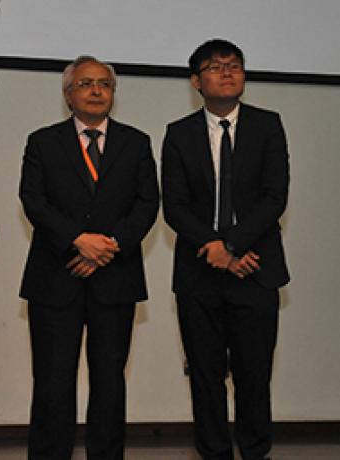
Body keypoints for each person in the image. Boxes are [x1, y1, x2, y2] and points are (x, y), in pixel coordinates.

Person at [19, 55, 159, 459]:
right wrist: (78, 240)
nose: (96, 90)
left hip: (115, 281)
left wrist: (107, 247)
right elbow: (34, 200)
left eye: (104, 84)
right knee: (52, 382)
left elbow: (147, 204)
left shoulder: (136, 142)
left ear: (113, 93)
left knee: (110, 382)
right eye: (86, 84)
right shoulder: (42, 141)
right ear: (68, 94)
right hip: (55, 278)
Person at [161, 39, 289, 460]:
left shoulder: (268, 125)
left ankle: (255, 450)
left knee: (255, 373)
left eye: (234, 65)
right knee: (205, 373)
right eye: (215, 67)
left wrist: (231, 247)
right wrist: (213, 247)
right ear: (197, 81)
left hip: (255, 268)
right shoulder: (178, 134)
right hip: (199, 273)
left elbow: (274, 197)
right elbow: (175, 205)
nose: (227, 72)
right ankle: (213, 451)